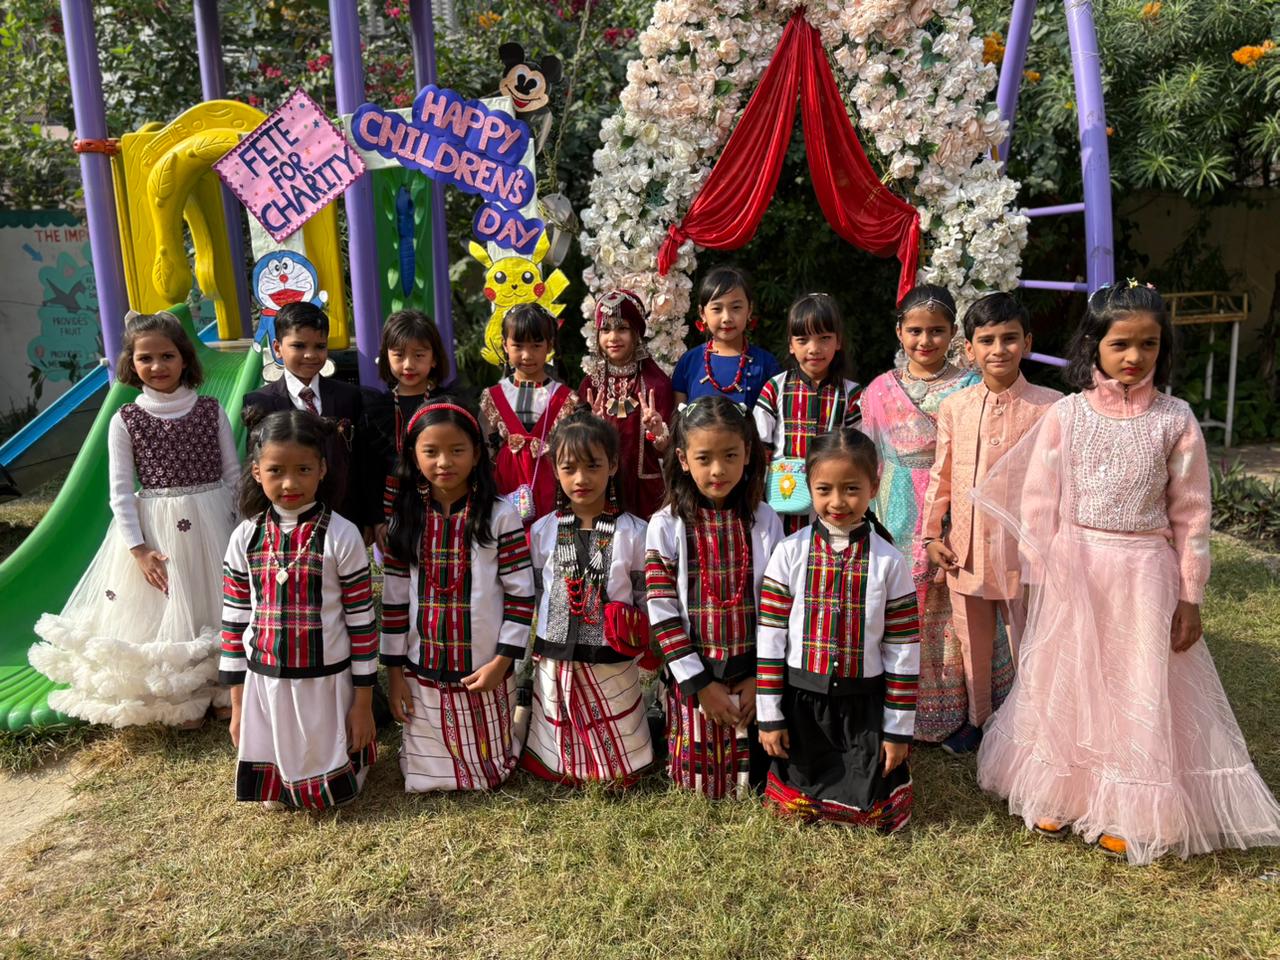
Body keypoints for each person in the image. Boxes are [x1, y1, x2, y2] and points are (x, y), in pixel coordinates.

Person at [973, 282, 1280, 864]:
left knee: (1135, 682)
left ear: (1164, 348)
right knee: (1069, 680)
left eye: (1149, 344)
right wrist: (1041, 577)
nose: (1134, 356)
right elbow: (1038, 500)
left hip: (1144, 576)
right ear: (1094, 346)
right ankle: (1059, 791)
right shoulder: (1067, 414)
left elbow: (1192, 515)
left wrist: (1190, 596)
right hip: (1075, 569)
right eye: (1120, 344)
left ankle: (1129, 808)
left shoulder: (1175, 420)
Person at [29, 311, 238, 727]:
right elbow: (121, 491)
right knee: (172, 605)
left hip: (214, 521)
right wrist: (138, 549)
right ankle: (180, 696)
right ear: (131, 362)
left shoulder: (211, 410)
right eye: (146, 358)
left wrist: (240, 526)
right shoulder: (125, 419)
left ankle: (224, 686)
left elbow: (233, 474)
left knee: (216, 600)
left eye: (167, 356)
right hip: (159, 530)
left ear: (185, 359)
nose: (157, 366)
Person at [757, 428, 919, 830]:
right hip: (802, 704)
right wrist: (770, 717)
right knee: (797, 797)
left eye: (851, 489)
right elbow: (771, 639)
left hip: (862, 705)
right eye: (824, 489)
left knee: (871, 804)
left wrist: (897, 731)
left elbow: (903, 649)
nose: (837, 502)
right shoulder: (789, 552)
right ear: (808, 487)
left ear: (873, 487)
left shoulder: (890, 562)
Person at [920, 293, 1062, 752]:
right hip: (966, 550)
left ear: (1028, 343)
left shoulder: (1053, 408)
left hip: (1027, 554)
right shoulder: (956, 407)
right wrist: (931, 535)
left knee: (1030, 642)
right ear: (969, 349)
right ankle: (979, 722)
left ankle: (1034, 726)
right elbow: (941, 476)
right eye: (987, 340)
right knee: (972, 644)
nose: (998, 349)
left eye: (1009, 339)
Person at [219, 410, 377, 809]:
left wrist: (362, 704)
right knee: (275, 799)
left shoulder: (342, 535)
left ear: (322, 470)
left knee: (332, 795)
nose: (289, 483)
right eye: (276, 471)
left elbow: (362, 624)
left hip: (327, 680)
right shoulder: (245, 536)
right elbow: (234, 621)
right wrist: (238, 706)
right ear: (257, 472)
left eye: (303, 469)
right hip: (265, 679)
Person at [381, 400, 536, 792]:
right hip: (422, 668)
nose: (444, 462)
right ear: (413, 456)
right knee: (421, 776)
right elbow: (394, 603)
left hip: (483, 667)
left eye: (456, 450)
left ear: (477, 453)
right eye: (431, 451)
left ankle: (514, 720)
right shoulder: (405, 519)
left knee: (490, 774)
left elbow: (521, 596)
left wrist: (501, 663)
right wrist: (395, 675)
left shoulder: (501, 516)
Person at [859, 284, 987, 749]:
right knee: (896, 602)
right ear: (899, 332)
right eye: (915, 330)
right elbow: (868, 455)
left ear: (953, 334)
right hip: (891, 506)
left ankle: (957, 710)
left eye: (936, 330)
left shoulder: (971, 387)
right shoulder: (879, 389)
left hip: (950, 504)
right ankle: (893, 707)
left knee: (947, 609)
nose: (925, 340)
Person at [645, 395, 783, 798]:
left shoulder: (765, 519)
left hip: (753, 670)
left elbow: (780, 608)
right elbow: (663, 611)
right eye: (704, 458)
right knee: (699, 782)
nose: (718, 470)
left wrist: (761, 678)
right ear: (683, 459)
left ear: (748, 455)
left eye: (730, 456)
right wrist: (702, 685)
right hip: (696, 673)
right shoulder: (665, 525)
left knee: (757, 777)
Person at [522, 409, 655, 785]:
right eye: (569, 468)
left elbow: (644, 594)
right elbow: (537, 592)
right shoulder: (542, 531)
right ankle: (558, 764)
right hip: (556, 650)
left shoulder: (635, 532)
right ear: (555, 471)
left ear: (613, 465)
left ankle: (621, 766)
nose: (581, 479)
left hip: (612, 654)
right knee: (557, 713)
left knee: (617, 715)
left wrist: (648, 647)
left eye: (593, 466)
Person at [242, 301, 376, 538]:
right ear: (277, 348)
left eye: (320, 346)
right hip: (287, 521)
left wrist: (370, 518)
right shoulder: (260, 402)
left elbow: (363, 462)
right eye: (299, 345)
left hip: (344, 517)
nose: (310, 355)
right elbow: (258, 468)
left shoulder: (349, 396)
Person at [754, 292, 864, 534]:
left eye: (824, 338)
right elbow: (759, 447)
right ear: (791, 345)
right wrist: (755, 497)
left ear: (838, 341)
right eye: (803, 340)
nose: (814, 349)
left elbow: (860, 453)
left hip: (834, 500)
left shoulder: (852, 395)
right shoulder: (775, 388)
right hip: (782, 501)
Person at [578, 290, 675, 518]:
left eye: (622, 329)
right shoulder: (591, 385)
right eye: (605, 330)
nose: (613, 337)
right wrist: (590, 429)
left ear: (636, 333)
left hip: (646, 494)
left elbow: (670, 450)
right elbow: (575, 444)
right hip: (601, 489)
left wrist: (658, 433)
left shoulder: (656, 384)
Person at [479, 303, 578, 526]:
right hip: (507, 480)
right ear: (505, 345)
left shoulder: (565, 398)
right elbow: (485, 447)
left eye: (536, 345)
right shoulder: (493, 397)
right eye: (518, 345)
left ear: (549, 345)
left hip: (551, 481)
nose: (527, 355)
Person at [364, 309, 449, 548]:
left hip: (443, 504)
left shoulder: (448, 405)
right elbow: (370, 470)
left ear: (434, 358)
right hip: (393, 510)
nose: (409, 364)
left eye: (419, 355)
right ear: (386, 356)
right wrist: (377, 520)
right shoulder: (375, 409)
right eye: (399, 355)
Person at [670, 266, 781, 409]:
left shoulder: (766, 364)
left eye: (736, 308)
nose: (727, 318)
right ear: (702, 313)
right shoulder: (689, 362)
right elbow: (679, 418)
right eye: (717, 309)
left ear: (749, 310)